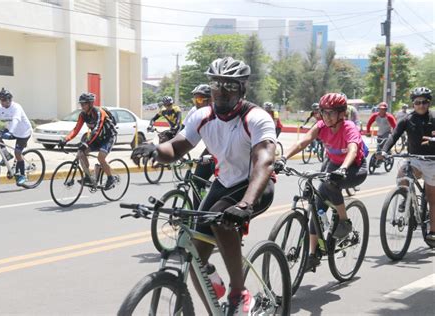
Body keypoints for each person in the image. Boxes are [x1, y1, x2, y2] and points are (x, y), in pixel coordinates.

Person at [131, 57, 276, 315]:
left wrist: (245, 203)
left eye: (229, 86)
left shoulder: (256, 117)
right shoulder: (202, 116)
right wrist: (154, 150)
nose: (221, 91)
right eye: (216, 84)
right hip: (225, 182)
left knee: (221, 219)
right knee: (196, 255)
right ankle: (215, 300)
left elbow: (263, 161)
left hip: (255, 185)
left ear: (242, 88)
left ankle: (238, 293)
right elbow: (176, 147)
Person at [275, 93, 368, 272]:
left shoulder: (348, 127)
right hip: (334, 164)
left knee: (331, 184)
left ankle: (343, 221)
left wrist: (343, 169)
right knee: (317, 209)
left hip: (354, 167)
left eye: (331, 113)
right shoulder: (321, 126)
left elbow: (353, 149)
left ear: (342, 114)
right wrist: (283, 158)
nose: (326, 117)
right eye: (324, 112)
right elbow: (304, 141)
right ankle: (313, 255)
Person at [379, 87, 435, 242]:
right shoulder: (406, 119)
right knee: (402, 176)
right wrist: (384, 151)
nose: (421, 105)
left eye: (424, 102)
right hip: (414, 159)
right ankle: (406, 198)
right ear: (413, 104)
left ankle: (432, 232)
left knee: (432, 198)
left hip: (432, 162)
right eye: (417, 102)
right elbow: (394, 135)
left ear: (428, 103)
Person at [58, 93, 117, 190]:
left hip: (108, 137)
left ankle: (111, 178)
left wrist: (86, 143)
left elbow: (97, 129)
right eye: (80, 104)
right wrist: (65, 139)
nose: (82, 106)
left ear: (90, 104)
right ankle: (88, 177)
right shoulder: (83, 115)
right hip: (97, 138)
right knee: (81, 153)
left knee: (101, 158)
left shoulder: (99, 112)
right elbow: (76, 129)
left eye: (84, 104)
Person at [183, 84, 217, 209]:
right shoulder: (195, 111)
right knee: (197, 180)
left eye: (199, 100)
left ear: (210, 100)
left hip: (226, 151)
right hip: (210, 148)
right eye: (195, 99)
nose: (196, 103)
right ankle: (198, 215)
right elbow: (184, 132)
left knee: (223, 185)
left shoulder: (218, 112)